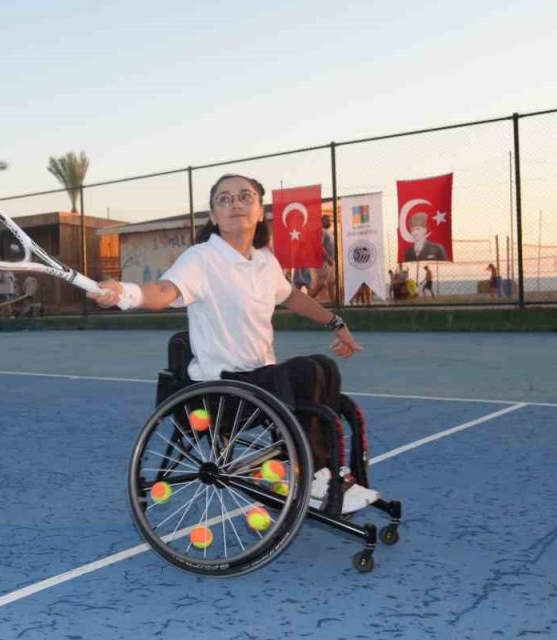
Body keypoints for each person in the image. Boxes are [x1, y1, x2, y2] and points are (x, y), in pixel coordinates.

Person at [90, 174, 377, 514]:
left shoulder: (265, 262)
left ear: (259, 212)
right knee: (302, 372)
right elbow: (164, 292)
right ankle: (312, 477)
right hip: (221, 393)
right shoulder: (201, 258)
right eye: (224, 199)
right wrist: (124, 292)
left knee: (323, 367)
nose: (236, 203)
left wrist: (336, 323)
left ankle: (319, 471)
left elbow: (293, 298)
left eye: (245, 196)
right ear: (213, 216)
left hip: (261, 387)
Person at [315, 215, 336, 301]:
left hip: (331, 261)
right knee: (321, 284)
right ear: (321, 221)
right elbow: (320, 246)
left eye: (329, 220)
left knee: (331, 282)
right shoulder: (321, 231)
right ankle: (307, 301)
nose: (329, 221)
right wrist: (327, 258)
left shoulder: (329, 232)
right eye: (326, 220)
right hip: (325, 261)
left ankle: (334, 302)